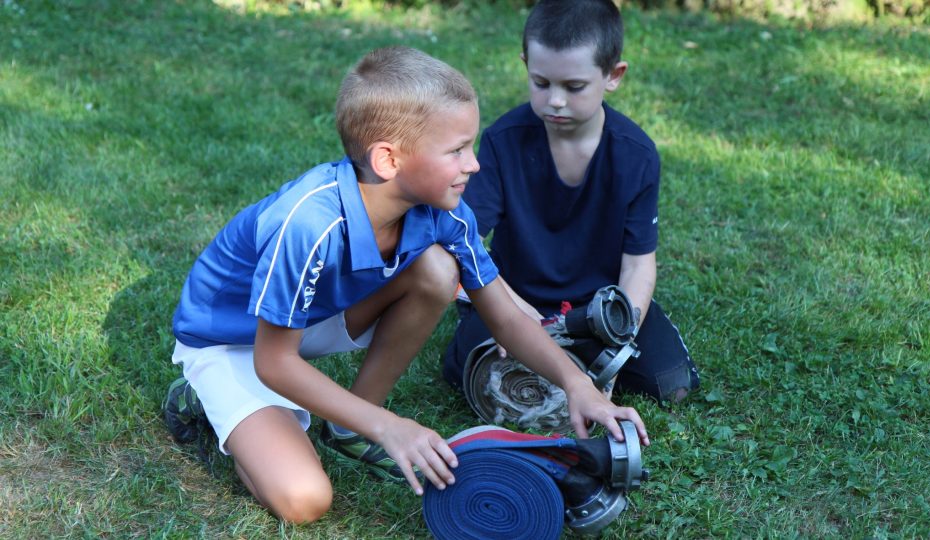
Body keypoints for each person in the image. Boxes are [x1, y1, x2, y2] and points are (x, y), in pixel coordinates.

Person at [162, 46, 648, 524]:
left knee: (438, 271)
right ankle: (202, 397)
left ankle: (349, 426)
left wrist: (577, 383)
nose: (473, 164)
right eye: (457, 150)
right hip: (233, 342)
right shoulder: (308, 224)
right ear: (389, 160)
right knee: (305, 500)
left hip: (305, 321)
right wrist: (391, 426)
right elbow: (273, 361)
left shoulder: (447, 211)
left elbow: (503, 314)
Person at [443, 0, 700, 404]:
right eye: (541, 83)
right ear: (526, 64)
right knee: (477, 379)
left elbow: (638, 264)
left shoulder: (636, 154)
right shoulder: (501, 141)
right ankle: (547, 353)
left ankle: (576, 351)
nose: (555, 101)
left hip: (598, 308)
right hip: (511, 298)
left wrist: (621, 332)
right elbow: (464, 242)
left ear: (613, 76)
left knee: (671, 384)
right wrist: (518, 316)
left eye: (574, 87)